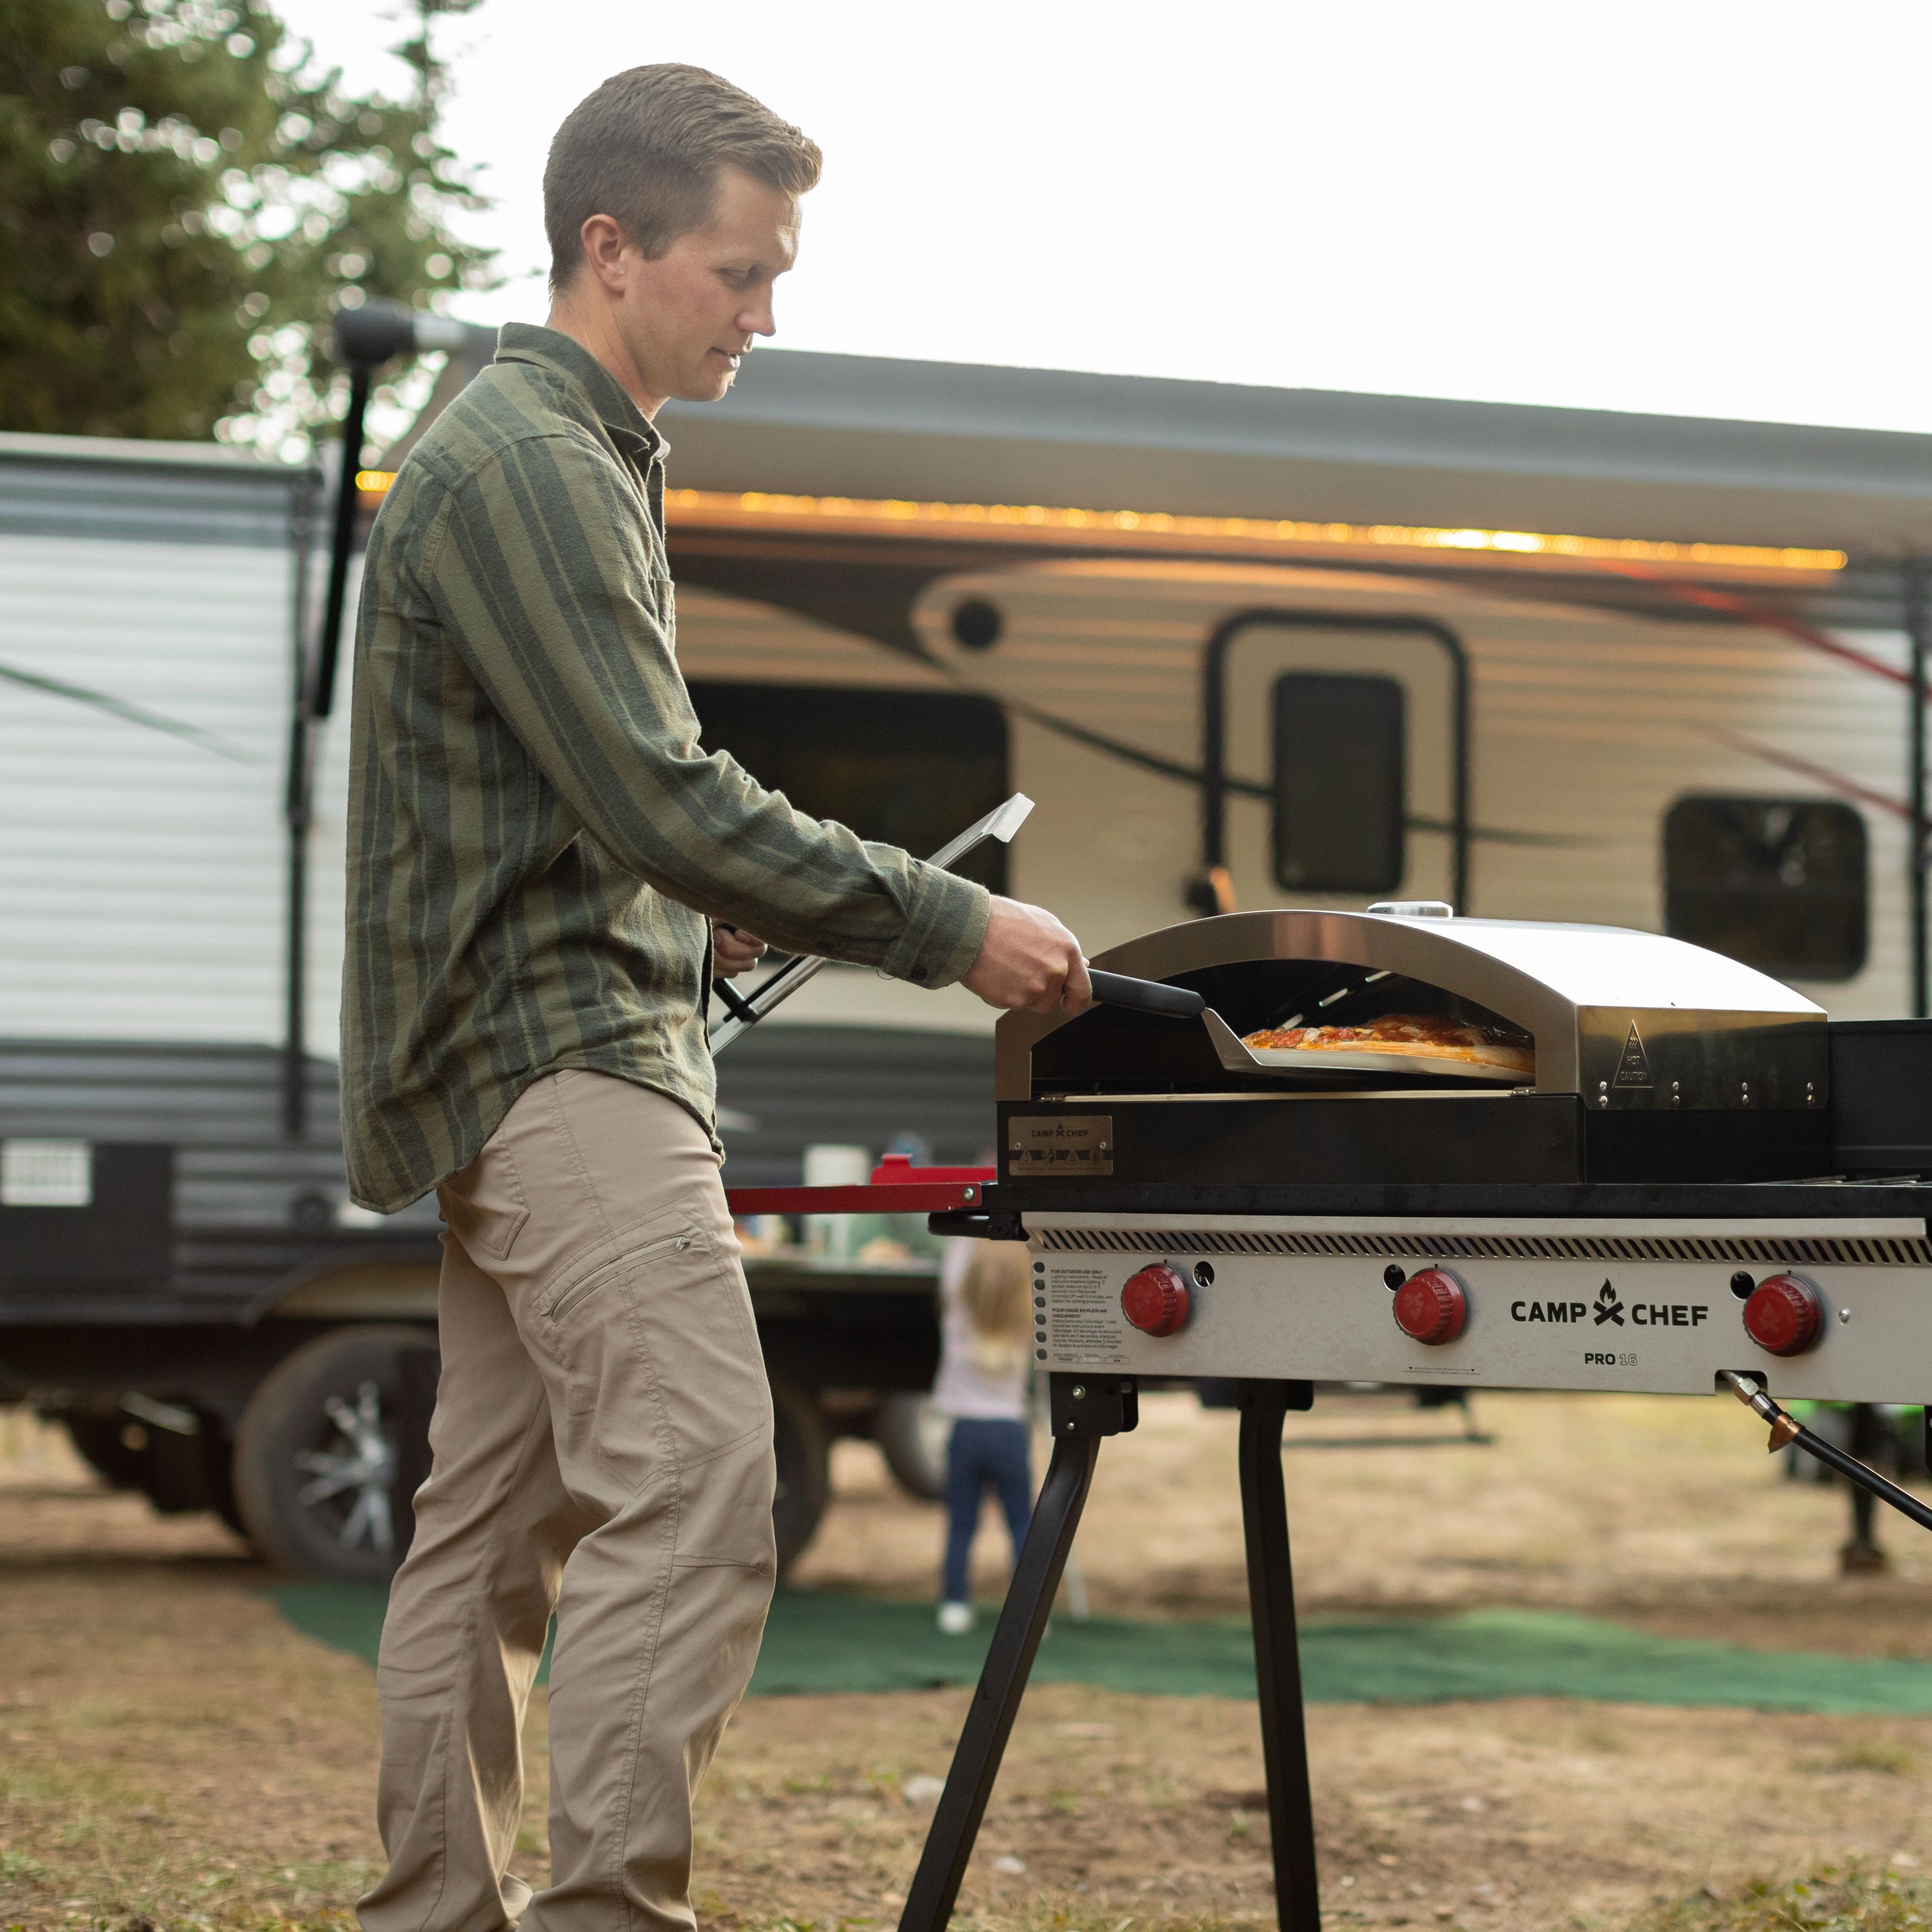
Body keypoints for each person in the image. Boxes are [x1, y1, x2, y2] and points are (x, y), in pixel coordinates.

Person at [341, 64, 1089, 1932]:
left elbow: (578, 813)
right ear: (614, 248)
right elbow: (663, 793)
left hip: (528, 1049)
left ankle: (436, 1908)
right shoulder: (532, 461)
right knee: (698, 1478)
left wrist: (695, 922)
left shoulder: (554, 455)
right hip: (564, 1068)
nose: (766, 313)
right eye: (741, 273)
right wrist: (947, 922)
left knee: (491, 1535)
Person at [933, 1239, 1036, 1633]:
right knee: (1021, 1524)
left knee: (961, 1525)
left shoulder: (958, 1321)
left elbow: (954, 1270)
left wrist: (971, 1229)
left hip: (966, 1431)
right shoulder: (1022, 1321)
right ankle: (1029, 1611)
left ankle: (955, 1605)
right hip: (1009, 1431)